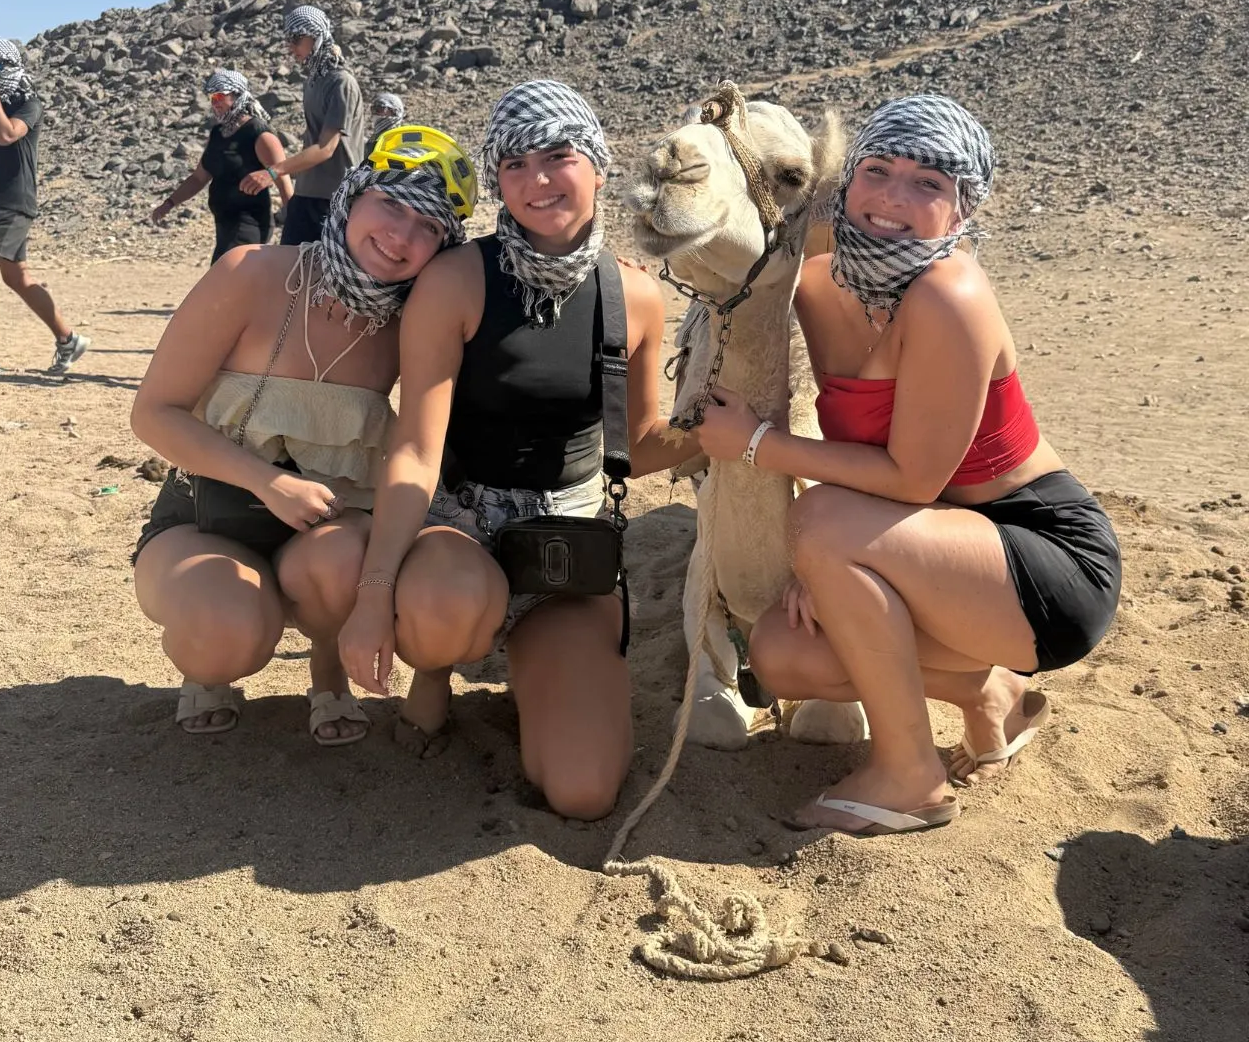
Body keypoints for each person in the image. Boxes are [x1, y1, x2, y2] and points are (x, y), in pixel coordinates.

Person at [690, 92, 1121, 838]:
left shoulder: (951, 295)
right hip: (932, 543)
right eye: (879, 170)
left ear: (962, 212)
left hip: (1041, 559)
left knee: (818, 519)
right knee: (782, 651)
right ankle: (991, 698)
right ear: (848, 180)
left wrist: (757, 446)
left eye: (930, 184)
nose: (893, 198)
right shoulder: (821, 277)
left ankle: (909, 776)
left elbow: (914, 480)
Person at [338, 80, 691, 820]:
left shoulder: (637, 296)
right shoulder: (458, 279)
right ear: (497, 181)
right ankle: (434, 673)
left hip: (565, 546)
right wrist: (374, 598)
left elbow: (637, 445)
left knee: (584, 791)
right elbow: (415, 448)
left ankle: (541, 671)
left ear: (596, 163)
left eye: (558, 156)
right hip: (457, 531)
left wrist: (728, 435)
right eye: (514, 164)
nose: (537, 180)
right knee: (446, 607)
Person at [130, 124, 477, 741]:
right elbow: (154, 412)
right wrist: (267, 483)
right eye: (391, 205)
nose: (400, 237)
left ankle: (327, 672)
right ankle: (212, 669)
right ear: (353, 195)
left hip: (327, 528)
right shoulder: (253, 273)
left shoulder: (414, 320)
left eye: (428, 227)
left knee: (348, 559)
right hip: (206, 516)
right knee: (224, 634)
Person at [0, 39, 89, 377]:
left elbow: (8, 135)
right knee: (16, 277)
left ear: (4, 66)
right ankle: (69, 340)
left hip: (13, 201)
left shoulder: (29, 104)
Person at [150, 70, 294, 262]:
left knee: (224, 283)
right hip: (224, 225)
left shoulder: (258, 133)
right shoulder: (219, 133)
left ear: (236, 95)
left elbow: (283, 180)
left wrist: (295, 226)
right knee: (231, 287)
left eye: (219, 96)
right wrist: (169, 204)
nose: (214, 103)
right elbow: (198, 178)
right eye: (211, 97)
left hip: (249, 226)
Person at [253, 6, 366, 248]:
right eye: (288, 40)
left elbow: (325, 148)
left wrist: (272, 172)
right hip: (305, 194)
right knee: (287, 272)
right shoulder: (314, 80)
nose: (291, 48)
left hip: (334, 198)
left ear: (316, 37)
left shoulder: (341, 83)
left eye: (296, 39)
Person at [365, 90, 405, 159]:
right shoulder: (374, 138)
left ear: (395, 111)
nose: (375, 112)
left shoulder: (400, 138)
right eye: (373, 109)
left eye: (380, 109)